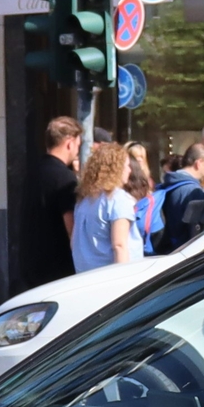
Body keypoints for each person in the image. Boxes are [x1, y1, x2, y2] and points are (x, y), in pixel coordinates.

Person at [71, 141, 139, 271]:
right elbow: (119, 245)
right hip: (111, 278)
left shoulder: (83, 200)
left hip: (84, 276)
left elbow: (74, 242)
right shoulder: (118, 199)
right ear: (116, 168)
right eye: (126, 166)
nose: (130, 170)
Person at [29, 116, 82, 284]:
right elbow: (72, 229)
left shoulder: (33, 172)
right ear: (69, 143)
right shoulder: (65, 179)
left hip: (31, 265)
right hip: (58, 269)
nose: (77, 152)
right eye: (78, 146)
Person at [157, 142, 204, 249]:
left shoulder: (170, 184)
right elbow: (194, 230)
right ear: (199, 163)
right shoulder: (192, 191)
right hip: (182, 251)